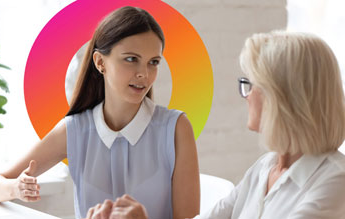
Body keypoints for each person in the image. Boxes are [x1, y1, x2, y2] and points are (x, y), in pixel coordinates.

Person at [86, 31, 345, 219]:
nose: (247, 95)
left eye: (251, 84)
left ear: (282, 97)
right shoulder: (265, 168)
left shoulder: (335, 182)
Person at [0, 6, 200, 219]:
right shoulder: (75, 130)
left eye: (153, 62)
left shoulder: (176, 128)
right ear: (100, 62)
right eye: (131, 59)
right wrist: (16, 188)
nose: (144, 73)